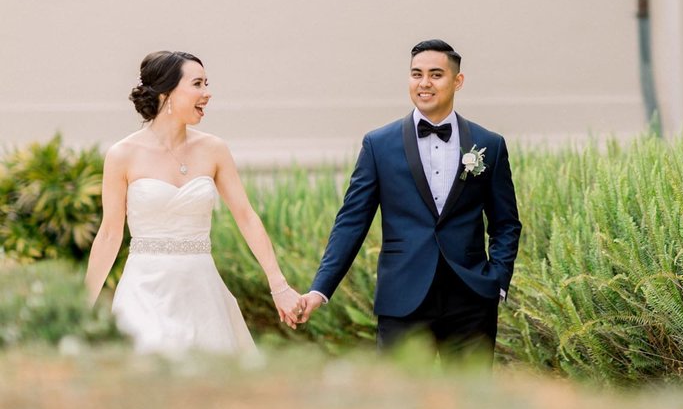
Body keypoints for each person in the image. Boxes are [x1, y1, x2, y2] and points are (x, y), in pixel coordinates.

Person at [294, 39, 522, 362]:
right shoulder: (379, 145)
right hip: (402, 301)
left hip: (471, 301)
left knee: (469, 403)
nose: (424, 83)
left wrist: (496, 281)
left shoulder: (489, 144)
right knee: (402, 404)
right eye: (416, 74)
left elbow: (506, 223)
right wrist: (320, 289)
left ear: (458, 81)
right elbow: (351, 223)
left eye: (435, 74)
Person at [85, 50, 302, 355]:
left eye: (206, 83)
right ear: (167, 93)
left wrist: (278, 285)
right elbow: (109, 234)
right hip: (144, 290)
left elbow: (246, 217)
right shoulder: (122, 155)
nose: (207, 93)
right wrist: (82, 307)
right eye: (197, 84)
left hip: (203, 291)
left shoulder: (214, 150)